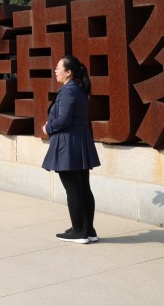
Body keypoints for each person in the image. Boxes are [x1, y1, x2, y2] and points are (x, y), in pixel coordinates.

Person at [42, 55, 101, 244]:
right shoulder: (79, 90)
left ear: (69, 72)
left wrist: (47, 128)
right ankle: (88, 229)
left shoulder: (68, 91)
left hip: (68, 145)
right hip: (80, 143)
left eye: (59, 68)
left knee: (73, 189)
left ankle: (78, 231)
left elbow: (63, 120)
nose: (56, 70)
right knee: (83, 188)